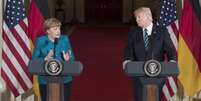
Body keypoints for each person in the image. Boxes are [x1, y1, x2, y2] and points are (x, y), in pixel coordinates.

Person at [123, 7, 176, 101]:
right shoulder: (134, 32)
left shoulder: (162, 31)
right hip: (138, 74)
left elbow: (170, 49)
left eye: (139, 17)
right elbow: (129, 49)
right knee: (139, 97)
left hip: (157, 73)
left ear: (148, 17)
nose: (136, 20)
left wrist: (172, 60)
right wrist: (127, 60)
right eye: (136, 17)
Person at [32, 18, 74, 101]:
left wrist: (68, 59)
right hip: (45, 80)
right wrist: (45, 59)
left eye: (59, 28)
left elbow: (72, 58)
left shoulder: (64, 40)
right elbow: (34, 62)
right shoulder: (40, 41)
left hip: (64, 79)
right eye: (55, 29)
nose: (58, 31)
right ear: (47, 31)